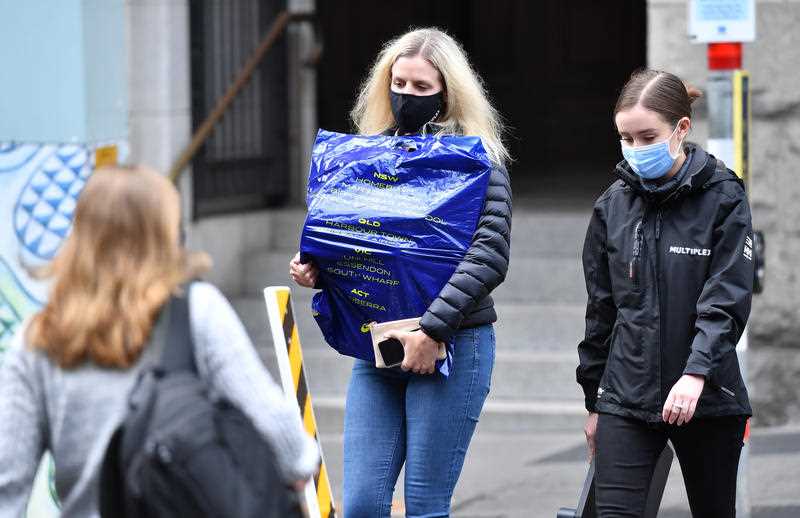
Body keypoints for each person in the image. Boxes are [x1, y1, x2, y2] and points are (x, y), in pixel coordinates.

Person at [0, 166, 319, 516]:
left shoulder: (39, 340)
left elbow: (8, 482)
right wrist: (301, 464)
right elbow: (274, 424)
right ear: (165, 235)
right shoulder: (197, 310)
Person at [290, 28, 512, 517]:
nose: (407, 95)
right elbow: (364, 244)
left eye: (421, 87)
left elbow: (489, 254)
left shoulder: (478, 161)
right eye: (400, 83)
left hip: (452, 342)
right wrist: (321, 269)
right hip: (379, 345)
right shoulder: (365, 157)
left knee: (424, 505)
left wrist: (432, 330)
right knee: (363, 505)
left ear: (447, 94)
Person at [577, 69, 754, 517]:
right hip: (626, 399)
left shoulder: (723, 197)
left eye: (647, 136)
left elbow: (727, 297)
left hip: (707, 397)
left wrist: (697, 374)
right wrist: (594, 400)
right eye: (626, 137)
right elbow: (601, 311)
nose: (636, 149)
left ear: (681, 129)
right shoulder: (612, 205)